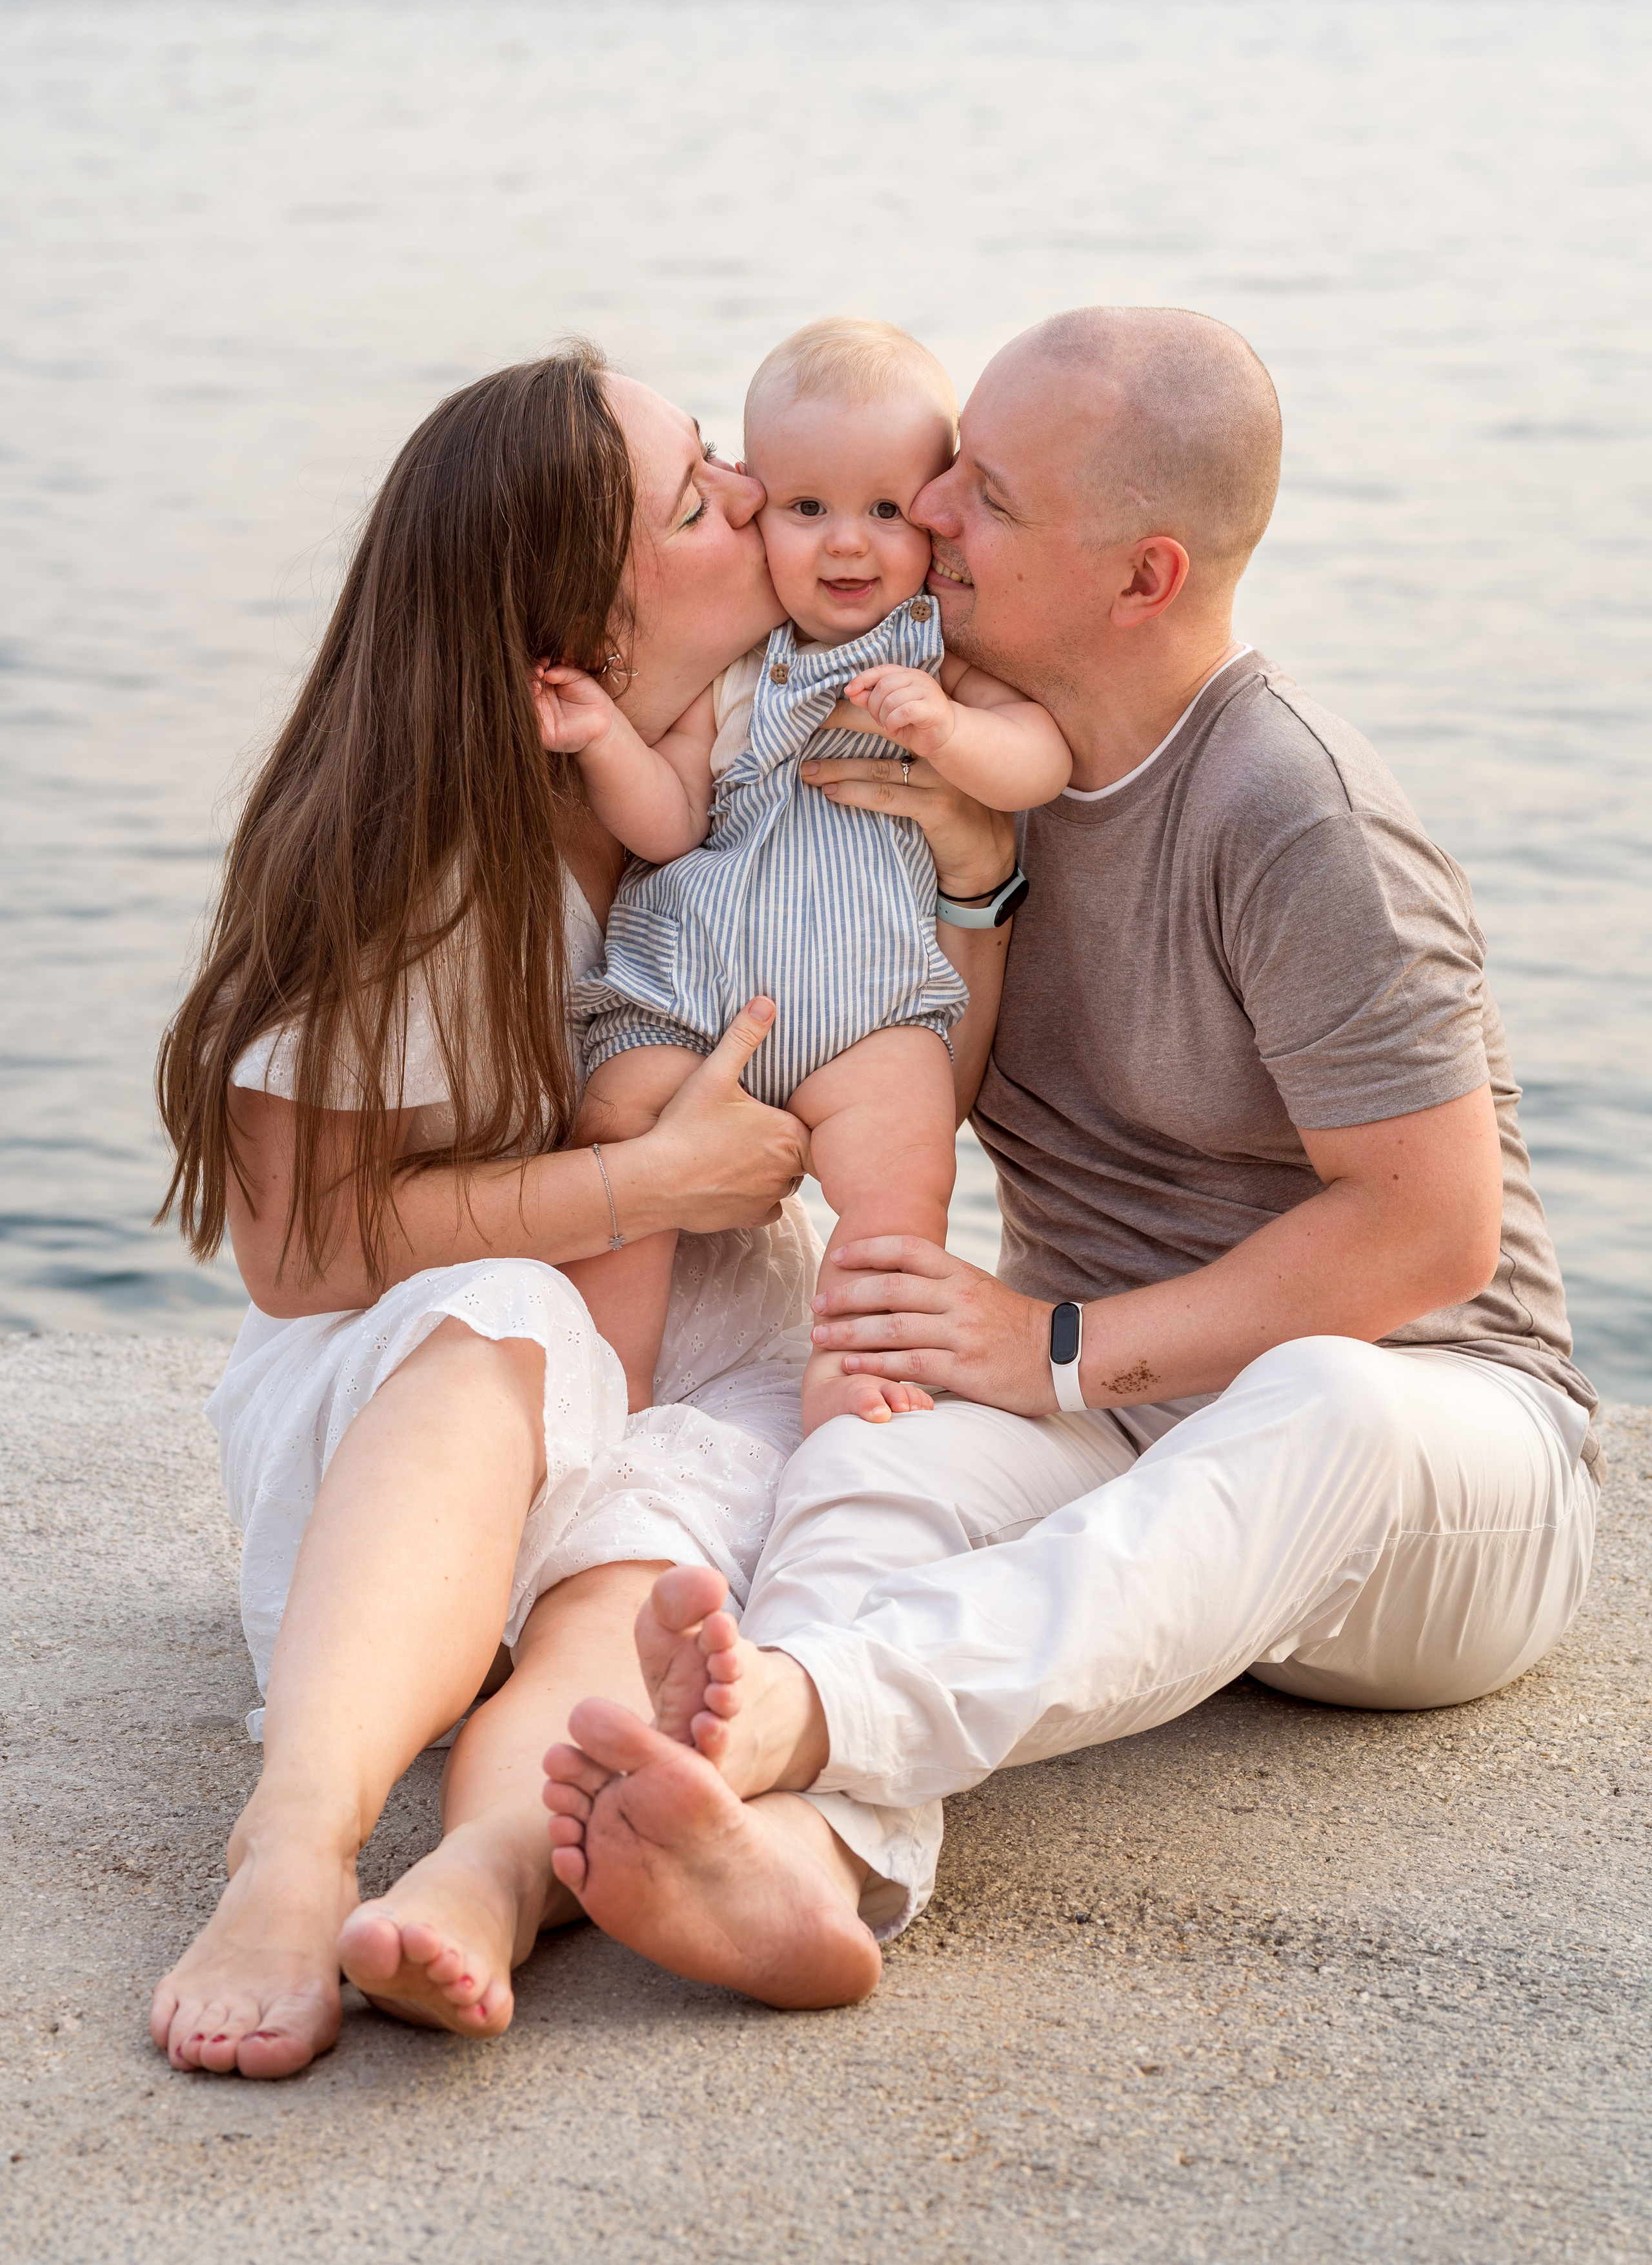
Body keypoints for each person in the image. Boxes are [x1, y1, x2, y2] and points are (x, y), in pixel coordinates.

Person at [539, 307, 1603, 2011]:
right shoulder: (966, 749)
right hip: (1129, 1409)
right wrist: (968, 883)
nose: (934, 508)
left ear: (1142, 575)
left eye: (992, 493)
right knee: (875, 1463)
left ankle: (797, 1713)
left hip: (1433, 1453)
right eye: (951, 463)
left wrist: (1052, 1344)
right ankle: (811, 1866)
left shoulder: (1296, 811)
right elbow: (925, 1087)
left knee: (1314, 1397)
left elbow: (1433, 1232)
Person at [146, 342, 1016, 2073]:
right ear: (584, 641)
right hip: (408, 1415)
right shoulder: (427, 854)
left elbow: (914, 1056)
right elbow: (297, 1249)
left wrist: (977, 878)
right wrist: (642, 1178)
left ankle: (486, 1873)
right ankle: (299, 1843)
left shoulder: (754, 772)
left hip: (664, 1354)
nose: (756, 502)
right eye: (701, 495)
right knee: (523, 1312)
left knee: (706, 1517)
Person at [546, 318, 1069, 1433]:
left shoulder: (939, 652)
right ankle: (609, 1370)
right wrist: (604, 742)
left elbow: (1038, 760)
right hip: (693, 993)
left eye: (886, 511)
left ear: (933, 514)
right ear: (758, 504)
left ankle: (857, 1360)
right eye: (808, 508)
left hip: (863, 1005)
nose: (848, 545)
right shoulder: (734, 663)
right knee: (619, 1109)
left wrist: (946, 733)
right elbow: (673, 819)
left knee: (903, 1164)